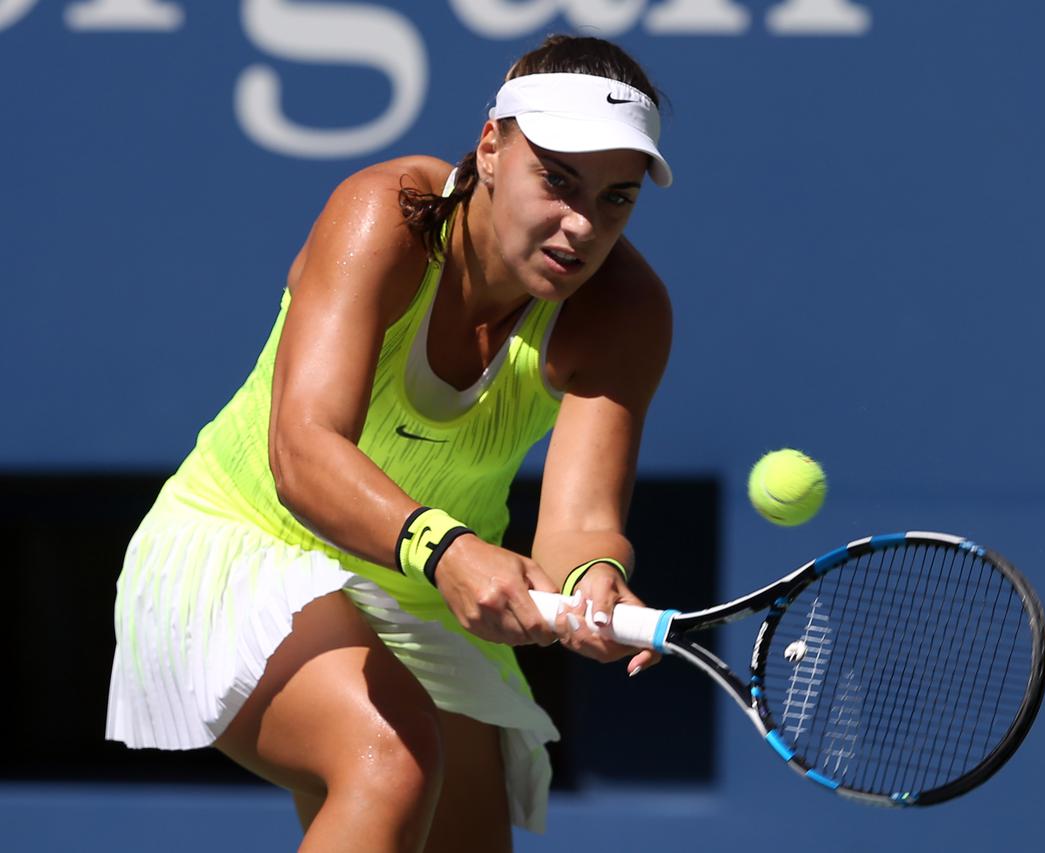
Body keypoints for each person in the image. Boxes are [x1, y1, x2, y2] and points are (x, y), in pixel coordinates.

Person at [105, 34, 674, 853]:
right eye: (557, 180)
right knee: (389, 759)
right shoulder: (387, 213)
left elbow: (579, 524)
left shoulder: (625, 311)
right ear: (490, 147)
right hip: (238, 545)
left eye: (616, 198)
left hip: (418, 596)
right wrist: (449, 549)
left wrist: (594, 580)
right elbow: (303, 450)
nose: (582, 225)